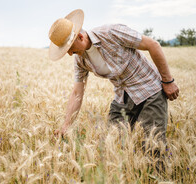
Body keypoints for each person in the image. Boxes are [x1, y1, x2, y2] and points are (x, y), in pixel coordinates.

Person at [49, 9, 179, 143]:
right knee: (113, 144)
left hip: (149, 90)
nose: (70, 54)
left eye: (70, 48)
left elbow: (153, 45)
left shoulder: (111, 32)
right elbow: (77, 93)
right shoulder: (80, 59)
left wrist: (168, 81)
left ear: (81, 37)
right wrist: (66, 126)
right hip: (122, 98)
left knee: (153, 146)